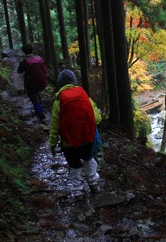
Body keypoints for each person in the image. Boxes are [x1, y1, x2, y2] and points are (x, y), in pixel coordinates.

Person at [49, 69, 102, 198]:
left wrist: (52, 143)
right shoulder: (84, 96)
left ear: (60, 84)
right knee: (89, 160)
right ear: (75, 82)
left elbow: (55, 126)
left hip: (69, 142)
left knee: (74, 165)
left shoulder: (58, 101)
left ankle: (78, 190)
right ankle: (94, 183)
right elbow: (97, 118)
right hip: (86, 139)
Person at [17, 44, 47, 122]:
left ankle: (41, 115)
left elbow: (19, 71)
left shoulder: (24, 62)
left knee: (34, 99)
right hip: (41, 82)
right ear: (32, 50)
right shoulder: (39, 58)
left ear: (24, 52)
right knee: (38, 95)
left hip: (31, 84)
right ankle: (39, 109)